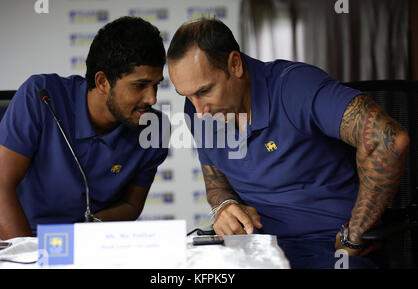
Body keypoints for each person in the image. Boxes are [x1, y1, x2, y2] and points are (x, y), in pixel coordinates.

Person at [167, 18, 409, 269]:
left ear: (235, 64)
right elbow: (216, 182)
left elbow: (389, 139)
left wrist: (355, 235)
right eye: (188, 96)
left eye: (205, 91)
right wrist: (225, 206)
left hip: (328, 246)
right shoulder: (197, 110)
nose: (199, 111)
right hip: (256, 250)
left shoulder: (295, 87)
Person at [0, 16, 169, 240]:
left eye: (156, 85)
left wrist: (84, 233)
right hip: (7, 240)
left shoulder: (153, 128)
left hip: (77, 245)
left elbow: (131, 204)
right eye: (140, 85)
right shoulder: (41, 96)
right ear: (102, 82)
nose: (152, 98)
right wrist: (36, 260)